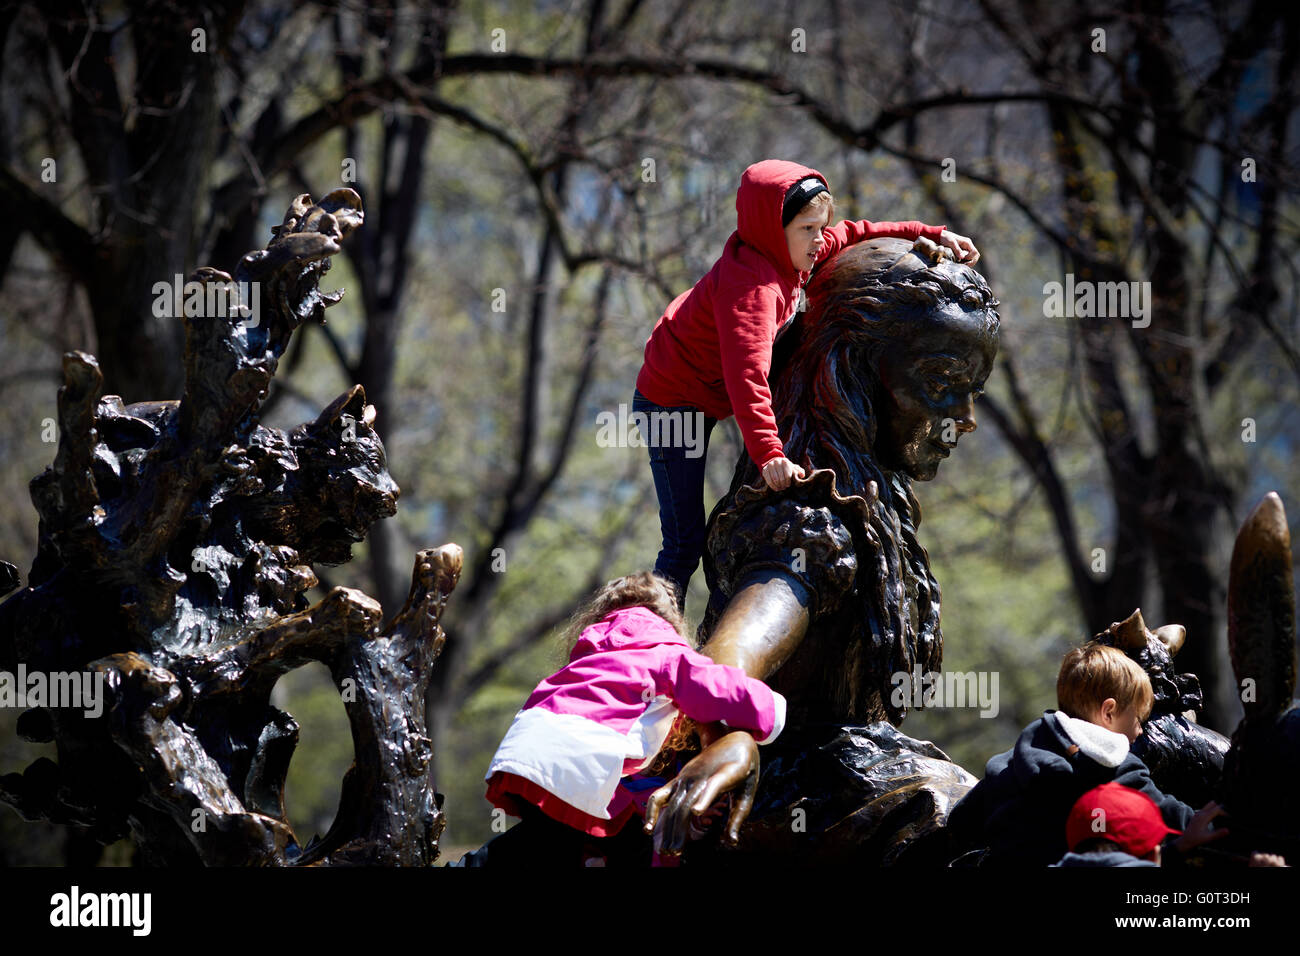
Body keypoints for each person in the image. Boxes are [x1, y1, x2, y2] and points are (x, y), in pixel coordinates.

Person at [632, 159, 979, 608]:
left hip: (708, 388)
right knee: (683, 543)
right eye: (807, 229)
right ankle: (645, 639)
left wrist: (929, 233)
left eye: (822, 226)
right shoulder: (753, 291)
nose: (820, 239)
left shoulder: (793, 251)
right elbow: (747, 378)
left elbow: (858, 231)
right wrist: (771, 455)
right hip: (673, 404)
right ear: (772, 229)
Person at [469, 571, 786, 866]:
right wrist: (772, 710)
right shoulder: (663, 654)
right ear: (669, 622)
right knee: (560, 846)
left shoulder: (591, 658)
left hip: (526, 749)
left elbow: (620, 789)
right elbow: (721, 689)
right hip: (576, 761)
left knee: (547, 843)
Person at [946, 642, 1197, 866]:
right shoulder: (1114, 767)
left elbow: (960, 824)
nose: (1140, 731)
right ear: (1108, 712)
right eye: (1138, 719)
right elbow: (1169, 817)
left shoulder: (1012, 762)